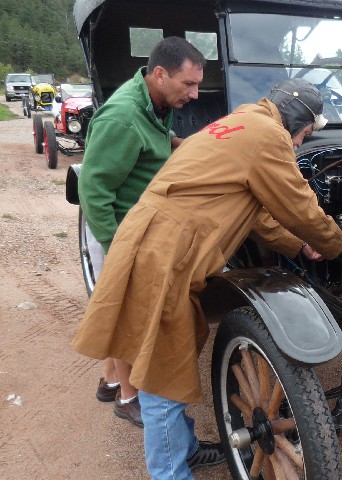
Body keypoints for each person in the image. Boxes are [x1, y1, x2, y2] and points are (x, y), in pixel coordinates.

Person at [71, 77, 342, 479]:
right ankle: (170, 472)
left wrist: (299, 245)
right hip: (165, 254)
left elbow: (257, 213)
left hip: (155, 242)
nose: (299, 146)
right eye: (304, 135)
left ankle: (182, 449)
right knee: (162, 375)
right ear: (293, 119)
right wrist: (333, 243)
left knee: (170, 357)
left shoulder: (242, 124)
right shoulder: (268, 136)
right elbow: (300, 205)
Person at [78, 36, 206, 428]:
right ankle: (128, 398)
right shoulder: (121, 117)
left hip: (135, 224)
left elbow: (150, 134)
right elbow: (94, 190)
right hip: (117, 230)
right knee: (127, 316)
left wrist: (179, 143)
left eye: (198, 84)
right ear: (161, 74)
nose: (195, 94)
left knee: (116, 311)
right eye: (189, 84)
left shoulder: (154, 102)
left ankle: (110, 381)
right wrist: (117, 248)